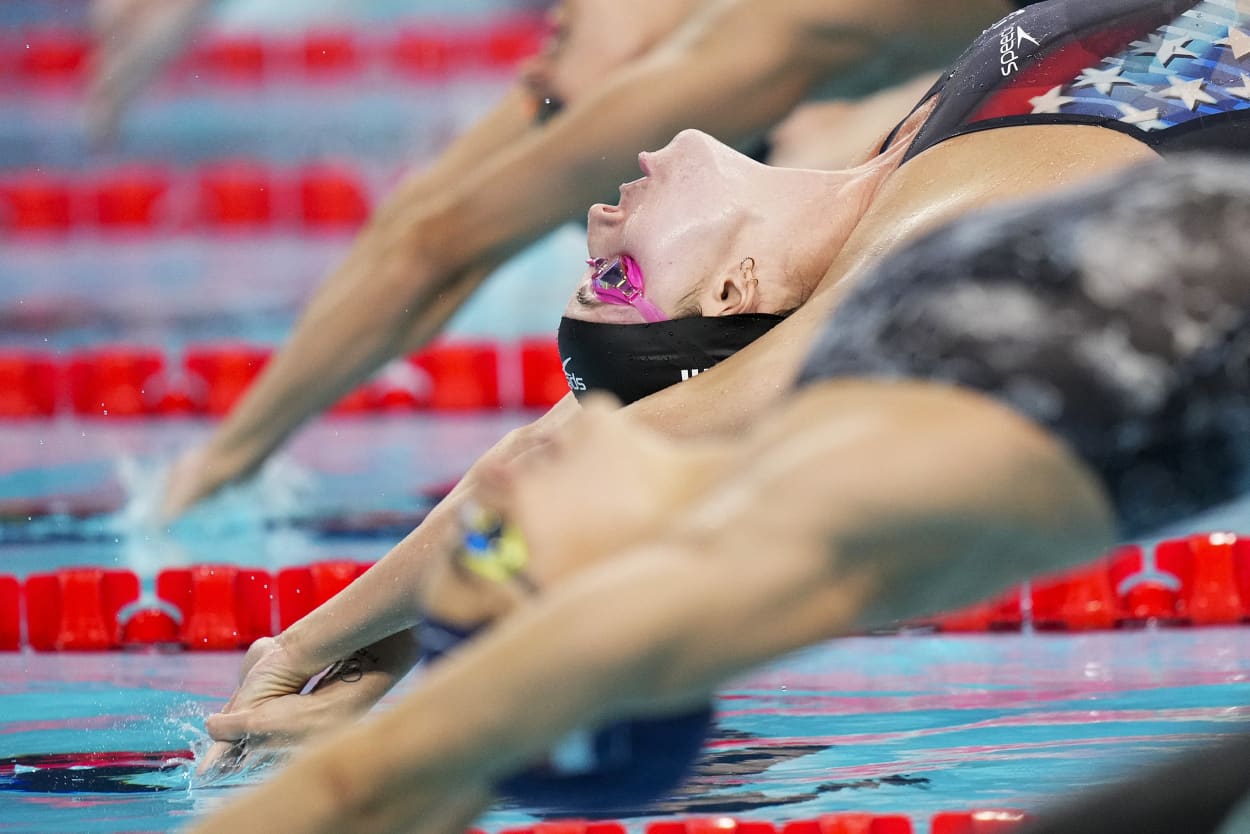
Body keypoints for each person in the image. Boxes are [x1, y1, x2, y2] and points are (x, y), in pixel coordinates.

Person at [194, 0, 1250, 781]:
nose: (598, 224)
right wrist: (302, 650)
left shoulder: (900, 161)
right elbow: (565, 458)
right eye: (616, 276)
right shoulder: (927, 238)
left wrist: (350, 643)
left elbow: (600, 424)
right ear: (736, 289)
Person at [153, 0, 1019, 517]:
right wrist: (224, 464)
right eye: (559, 105)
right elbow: (431, 239)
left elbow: (433, 233)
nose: (536, 67)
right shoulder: (753, 45)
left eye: (552, 86)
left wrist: (225, 461)